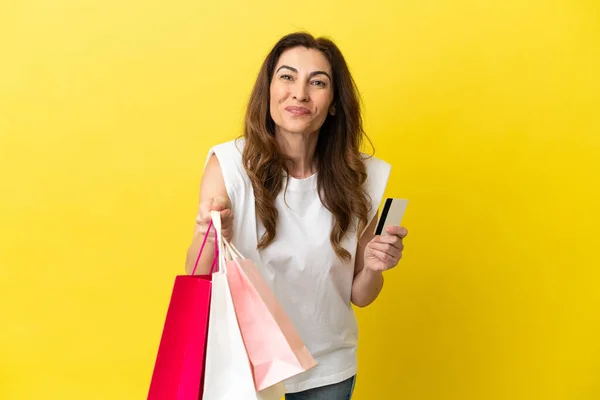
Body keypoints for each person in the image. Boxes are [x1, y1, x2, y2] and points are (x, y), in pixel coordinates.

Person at [185, 32, 408, 400]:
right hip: (246, 370)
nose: (300, 93)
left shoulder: (362, 177)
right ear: (268, 90)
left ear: (334, 102)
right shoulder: (228, 166)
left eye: (317, 82)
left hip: (329, 371)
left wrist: (373, 267)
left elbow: (361, 295)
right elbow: (196, 274)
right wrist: (207, 234)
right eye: (287, 77)